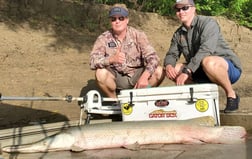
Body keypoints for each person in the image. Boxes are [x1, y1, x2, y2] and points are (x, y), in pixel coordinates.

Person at [164, 0, 242, 113]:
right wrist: (168, 65)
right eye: (178, 9)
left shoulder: (208, 23)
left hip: (227, 68)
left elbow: (206, 50)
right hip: (200, 69)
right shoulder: (178, 34)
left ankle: (232, 95)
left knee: (208, 61)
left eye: (185, 8)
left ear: (194, 9)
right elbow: (172, 54)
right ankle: (201, 98)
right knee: (174, 69)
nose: (181, 12)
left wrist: (187, 71)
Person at [90, 3, 164, 98]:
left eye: (121, 18)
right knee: (100, 73)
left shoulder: (138, 35)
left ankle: (140, 98)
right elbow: (92, 61)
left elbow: (153, 58)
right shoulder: (103, 38)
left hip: (137, 75)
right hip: (116, 78)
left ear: (127, 20)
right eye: (114, 19)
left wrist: (144, 77)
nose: (117, 21)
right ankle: (114, 102)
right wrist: (111, 59)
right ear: (110, 21)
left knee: (159, 71)